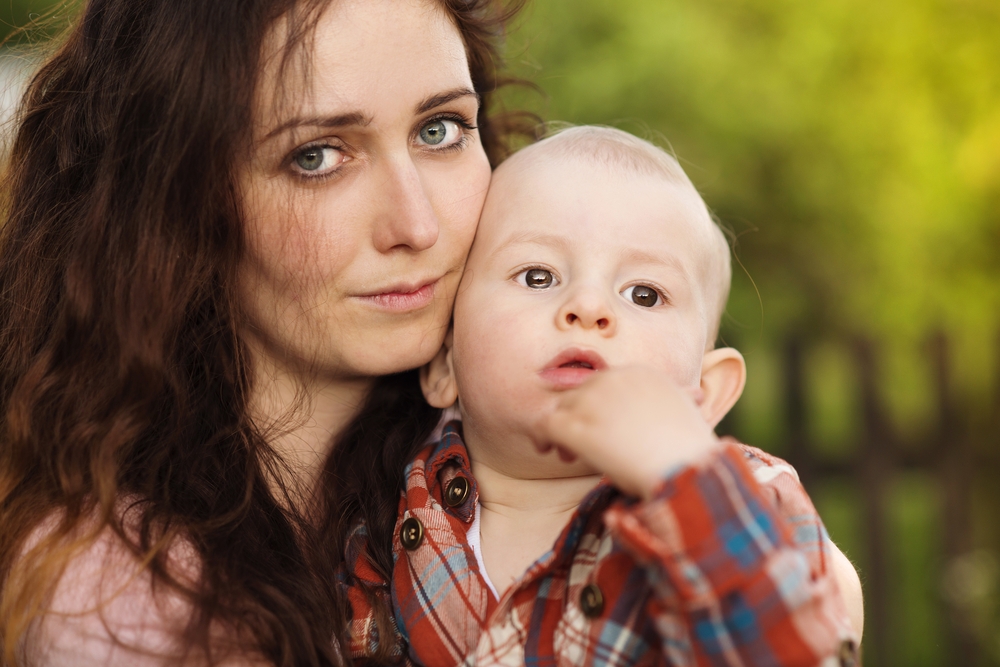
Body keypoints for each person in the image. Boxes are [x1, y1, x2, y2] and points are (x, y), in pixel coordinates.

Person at [0, 0, 530, 664]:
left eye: (440, 129)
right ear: (173, 204)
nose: (417, 225)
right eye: (316, 155)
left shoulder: (531, 452)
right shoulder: (111, 594)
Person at [380, 126, 864, 665]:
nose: (587, 306)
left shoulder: (752, 505)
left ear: (702, 394)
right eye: (538, 276)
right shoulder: (383, 509)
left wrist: (685, 477)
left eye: (644, 294)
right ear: (445, 364)